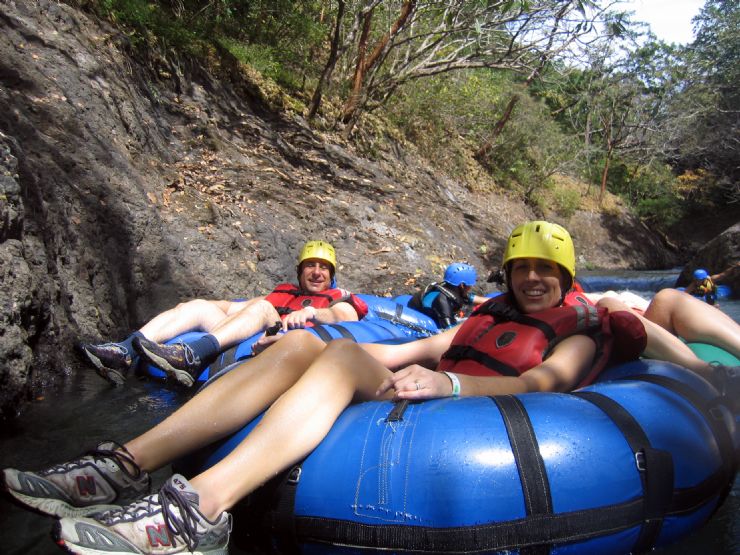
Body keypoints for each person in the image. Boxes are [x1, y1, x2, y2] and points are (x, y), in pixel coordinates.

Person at [3, 221, 647, 555]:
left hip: (476, 410)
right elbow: (405, 349)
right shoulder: (487, 316)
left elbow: (541, 381)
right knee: (317, 347)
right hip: (422, 386)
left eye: (545, 270)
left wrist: (449, 383)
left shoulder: (578, 333)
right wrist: (298, 343)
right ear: (507, 274)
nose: (533, 279)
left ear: (565, 276)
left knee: (336, 363)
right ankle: (121, 467)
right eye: (523, 268)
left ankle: (199, 510)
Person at [81, 240, 368, 387]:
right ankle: (124, 350)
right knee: (198, 306)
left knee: (263, 307)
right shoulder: (283, 293)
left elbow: (345, 318)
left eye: (323, 268)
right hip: (252, 331)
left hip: (287, 344)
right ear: (300, 271)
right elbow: (232, 308)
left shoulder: (337, 299)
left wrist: (313, 315)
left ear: (331, 276)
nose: (316, 272)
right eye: (310, 265)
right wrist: (204, 306)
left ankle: (193, 356)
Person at [589, 287, 740, 382]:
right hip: (612, 352)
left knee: (667, 297)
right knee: (607, 305)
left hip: (641, 334)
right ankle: (711, 374)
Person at [408, 262, 488, 328]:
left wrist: (495, 301)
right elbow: (448, 329)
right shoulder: (443, 300)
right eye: (470, 285)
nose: (470, 287)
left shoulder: (450, 287)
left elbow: (470, 298)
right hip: (419, 316)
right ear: (462, 285)